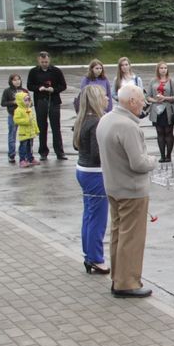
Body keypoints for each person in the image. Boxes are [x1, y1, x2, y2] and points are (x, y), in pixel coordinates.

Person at [96, 84, 158, 298]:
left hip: (113, 186)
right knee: (131, 238)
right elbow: (138, 163)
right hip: (131, 190)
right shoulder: (128, 126)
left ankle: (118, 278)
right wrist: (153, 160)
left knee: (118, 234)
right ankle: (127, 283)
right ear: (131, 102)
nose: (143, 104)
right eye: (141, 100)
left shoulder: (107, 119)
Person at [74, 85, 110, 274]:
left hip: (84, 170)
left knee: (89, 215)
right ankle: (96, 258)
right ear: (96, 99)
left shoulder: (83, 118)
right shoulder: (96, 121)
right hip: (95, 173)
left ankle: (89, 255)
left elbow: (77, 145)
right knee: (97, 218)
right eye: (104, 96)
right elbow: (98, 154)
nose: (107, 99)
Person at [26, 51, 68, 160]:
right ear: (38, 60)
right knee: (42, 127)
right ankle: (43, 152)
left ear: (49, 60)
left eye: (46, 62)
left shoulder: (56, 71)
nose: (44, 64)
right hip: (40, 101)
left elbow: (63, 85)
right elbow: (29, 86)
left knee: (56, 127)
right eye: (42, 62)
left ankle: (60, 152)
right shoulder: (33, 72)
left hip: (54, 101)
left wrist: (54, 89)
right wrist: (38, 88)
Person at [146, 61, 174, 163]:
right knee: (159, 132)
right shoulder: (153, 81)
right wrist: (155, 100)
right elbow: (147, 96)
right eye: (161, 68)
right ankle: (162, 156)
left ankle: (168, 156)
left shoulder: (172, 81)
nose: (163, 70)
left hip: (168, 110)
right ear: (158, 69)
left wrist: (165, 98)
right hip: (156, 110)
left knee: (168, 132)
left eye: (165, 68)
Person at [1, 73, 25, 164]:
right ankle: (11, 154)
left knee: (25, 135)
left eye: (18, 79)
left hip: (24, 116)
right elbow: (3, 103)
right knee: (12, 136)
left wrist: (26, 103)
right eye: (14, 80)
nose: (17, 81)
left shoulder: (24, 90)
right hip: (12, 115)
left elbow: (30, 103)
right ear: (11, 81)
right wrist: (13, 102)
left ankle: (24, 155)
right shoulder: (7, 91)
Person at [13, 91, 39, 168]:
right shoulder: (18, 110)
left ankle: (30, 158)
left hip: (30, 133)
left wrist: (36, 130)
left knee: (29, 147)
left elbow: (33, 121)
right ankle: (22, 160)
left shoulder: (29, 109)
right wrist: (27, 121)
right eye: (25, 100)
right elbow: (17, 120)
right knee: (23, 147)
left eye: (28, 100)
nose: (27, 102)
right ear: (21, 101)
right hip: (24, 133)